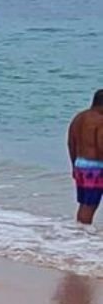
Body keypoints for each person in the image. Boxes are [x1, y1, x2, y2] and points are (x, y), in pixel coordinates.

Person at [68, 89, 103, 226]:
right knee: (90, 206)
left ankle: (80, 235)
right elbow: (101, 145)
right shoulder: (100, 120)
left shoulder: (79, 117)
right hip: (97, 167)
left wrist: (73, 166)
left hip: (81, 164)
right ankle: (84, 239)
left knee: (85, 204)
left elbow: (71, 142)